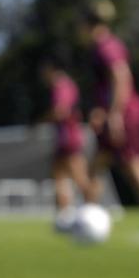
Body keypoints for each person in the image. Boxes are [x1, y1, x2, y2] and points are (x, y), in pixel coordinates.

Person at [81, 0, 139, 235]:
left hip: (125, 115)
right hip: (115, 114)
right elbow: (108, 87)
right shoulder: (100, 47)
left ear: (87, 24)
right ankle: (86, 220)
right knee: (96, 167)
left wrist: (115, 115)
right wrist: (102, 111)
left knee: (136, 164)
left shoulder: (106, 46)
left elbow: (121, 76)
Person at [38, 58, 94, 232]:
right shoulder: (62, 86)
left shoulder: (63, 85)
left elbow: (60, 110)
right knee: (59, 176)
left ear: (52, 70)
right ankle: (64, 216)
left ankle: (91, 212)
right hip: (63, 138)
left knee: (79, 176)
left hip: (70, 137)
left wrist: (40, 122)